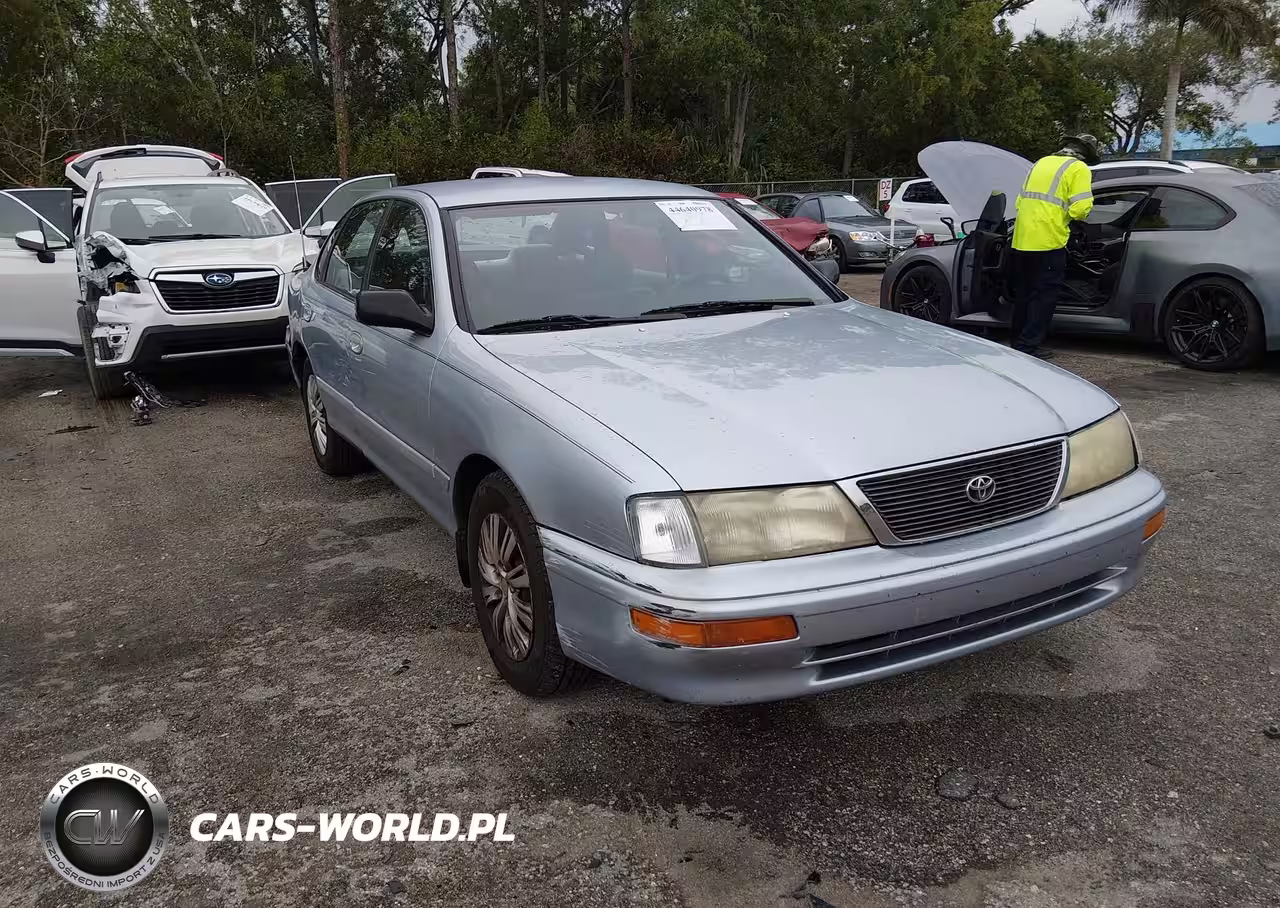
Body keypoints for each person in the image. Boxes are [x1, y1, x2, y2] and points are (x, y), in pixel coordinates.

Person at [1007, 134, 1100, 359]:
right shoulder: (1078, 168)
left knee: (1025, 294)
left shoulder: (1040, 163)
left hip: (1021, 239)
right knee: (1044, 296)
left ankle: (1016, 340)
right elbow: (1080, 209)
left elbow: (1020, 202)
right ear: (1086, 153)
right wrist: (1067, 217)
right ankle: (1028, 346)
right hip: (1049, 241)